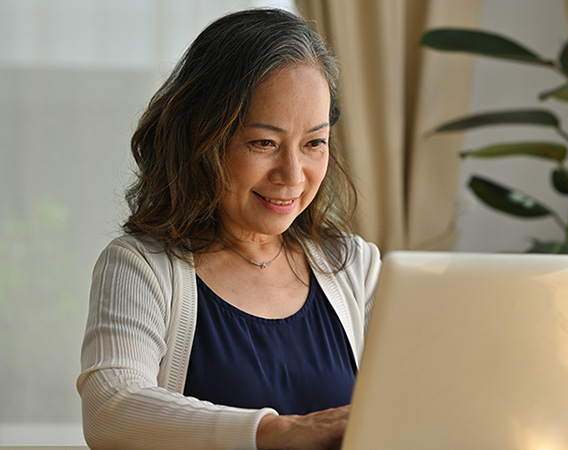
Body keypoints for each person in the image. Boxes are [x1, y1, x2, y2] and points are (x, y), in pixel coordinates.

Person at [76, 8, 381, 450]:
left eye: (314, 142)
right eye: (264, 143)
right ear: (204, 140)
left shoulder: (355, 266)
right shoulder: (141, 266)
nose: (293, 175)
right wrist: (278, 432)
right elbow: (111, 410)